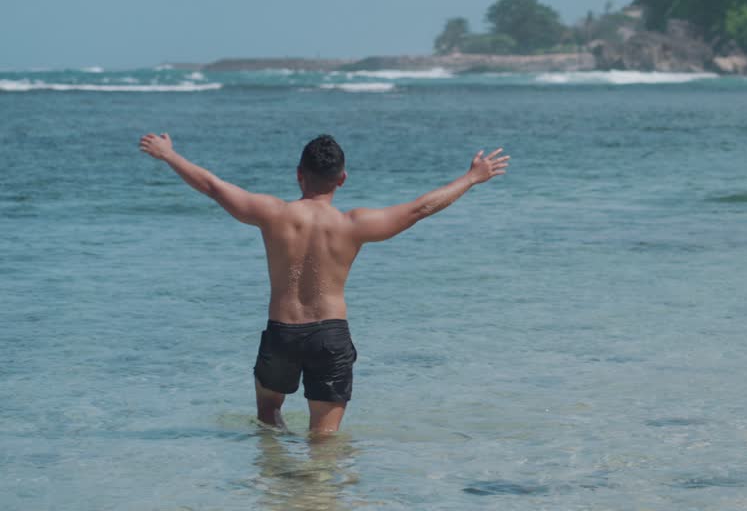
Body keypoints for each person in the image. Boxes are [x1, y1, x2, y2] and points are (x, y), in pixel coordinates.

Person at [138, 132, 509, 433]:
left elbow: (212, 186)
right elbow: (420, 208)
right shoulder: (353, 225)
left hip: (282, 332)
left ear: (298, 174)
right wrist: (471, 178)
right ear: (342, 179)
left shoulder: (273, 214)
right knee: (324, 442)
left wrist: (169, 155)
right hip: (330, 336)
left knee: (268, 420)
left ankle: (276, 493)